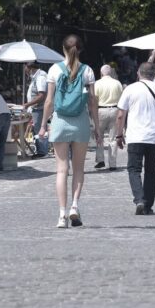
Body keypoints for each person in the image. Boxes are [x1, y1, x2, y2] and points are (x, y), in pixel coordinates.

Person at [39, 34, 102, 229]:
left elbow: (49, 101)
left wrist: (43, 125)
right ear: (80, 49)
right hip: (80, 122)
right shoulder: (87, 71)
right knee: (78, 169)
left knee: (61, 170)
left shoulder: (54, 69)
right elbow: (92, 102)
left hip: (60, 121)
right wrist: (97, 127)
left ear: (63, 48)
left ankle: (61, 215)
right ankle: (74, 205)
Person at [116, 62, 155, 215]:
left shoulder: (130, 89)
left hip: (135, 135)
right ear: (154, 74)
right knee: (151, 171)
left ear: (138, 73)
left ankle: (139, 200)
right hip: (154, 136)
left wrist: (119, 134)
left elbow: (121, 115)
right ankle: (147, 205)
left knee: (134, 169)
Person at [94, 64, 123, 170]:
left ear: (101, 73)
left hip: (101, 110)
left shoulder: (97, 83)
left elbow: (95, 99)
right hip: (115, 109)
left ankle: (100, 160)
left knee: (99, 136)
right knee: (113, 138)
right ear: (110, 72)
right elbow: (122, 98)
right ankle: (113, 163)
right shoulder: (117, 83)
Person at [22, 62, 48, 158]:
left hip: (40, 108)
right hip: (36, 108)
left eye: (25, 68)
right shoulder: (36, 77)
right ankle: (40, 150)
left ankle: (42, 152)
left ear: (30, 68)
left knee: (39, 129)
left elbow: (41, 95)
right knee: (37, 129)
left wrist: (27, 104)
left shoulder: (40, 77)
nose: (25, 71)